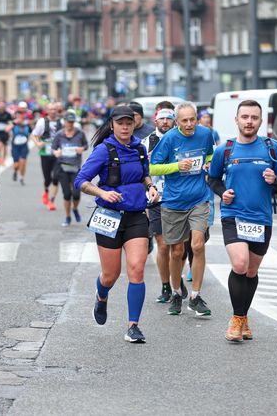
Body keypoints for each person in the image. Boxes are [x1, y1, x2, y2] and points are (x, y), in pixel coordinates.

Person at [75, 106, 158, 343]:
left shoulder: (139, 148)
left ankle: (133, 326)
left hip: (136, 216)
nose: (125, 127)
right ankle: (101, 297)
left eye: (129, 123)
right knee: (111, 275)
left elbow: (144, 174)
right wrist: (102, 192)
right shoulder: (104, 150)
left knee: (137, 269)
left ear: (134, 125)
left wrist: (151, 187)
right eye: (120, 123)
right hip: (109, 217)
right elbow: (80, 180)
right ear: (112, 125)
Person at [208, 100, 277, 342]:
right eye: (245, 117)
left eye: (254, 117)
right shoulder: (226, 150)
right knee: (240, 264)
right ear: (237, 120)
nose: (249, 121)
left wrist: (275, 180)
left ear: (260, 121)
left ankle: (243, 318)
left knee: (251, 271)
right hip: (234, 215)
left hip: (261, 217)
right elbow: (212, 179)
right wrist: (223, 193)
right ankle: (236, 318)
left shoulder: (271, 148)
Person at [150, 101, 215, 317]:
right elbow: (152, 167)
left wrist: (208, 163)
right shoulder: (169, 139)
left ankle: (195, 296)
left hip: (199, 199)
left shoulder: (205, 134)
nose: (189, 125)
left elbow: (210, 155)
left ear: (197, 119)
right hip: (173, 201)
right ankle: (177, 292)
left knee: (197, 246)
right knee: (176, 251)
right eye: (184, 121)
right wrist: (177, 166)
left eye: (192, 120)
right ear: (177, 122)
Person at [141, 107, 187, 302]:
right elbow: (143, 170)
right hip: (157, 197)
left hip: (179, 197)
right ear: (155, 121)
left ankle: (176, 277)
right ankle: (165, 285)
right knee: (162, 245)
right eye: (163, 119)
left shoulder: (182, 138)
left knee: (178, 248)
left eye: (170, 118)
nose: (166, 122)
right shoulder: (146, 142)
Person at [52, 111, 88, 226]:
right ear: (64, 122)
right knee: (67, 194)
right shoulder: (59, 134)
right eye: (68, 122)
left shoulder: (80, 133)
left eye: (72, 122)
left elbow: (86, 145)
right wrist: (56, 152)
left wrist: (82, 149)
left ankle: (75, 208)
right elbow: (53, 148)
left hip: (75, 167)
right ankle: (67, 217)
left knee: (76, 194)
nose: (70, 124)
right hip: (62, 167)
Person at [32, 103, 62, 210]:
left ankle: (51, 201)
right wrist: (37, 143)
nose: (53, 111)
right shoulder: (42, 122)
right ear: (47, 111)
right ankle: (45, 190)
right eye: (51, 109)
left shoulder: (61, 122)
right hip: (45, 153)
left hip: (58, 153)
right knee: (47, 178)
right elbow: (34, 135)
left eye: (55, 109)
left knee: (56, 177)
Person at [9, 105, 31, 184]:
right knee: (16, 165)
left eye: (20, 115)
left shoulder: (26, 123)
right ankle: (15, 171)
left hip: (24, 146)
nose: (19, 117)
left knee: (23, 162)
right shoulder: (13, 123)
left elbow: (33, 132)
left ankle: (21, 178)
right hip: (15, 146)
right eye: (17, 115)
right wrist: (14, 123)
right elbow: (6, 129)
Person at [0, 101, 13, 166]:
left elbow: (11, 122)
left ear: (4, 106)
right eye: (0, 105)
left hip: (5, 132)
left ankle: (3, 160)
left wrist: (9, 128)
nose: (1, 106)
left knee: (5, 147)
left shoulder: (8, 113)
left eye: (3, 105)